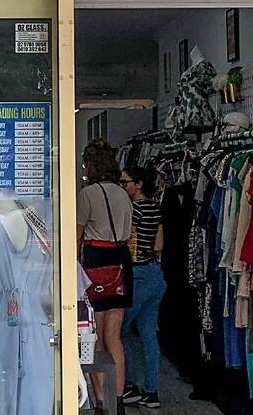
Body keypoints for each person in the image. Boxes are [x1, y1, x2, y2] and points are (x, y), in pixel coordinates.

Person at [77, 140, 134, 411]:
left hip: (96, 263)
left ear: (91, 166)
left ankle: (101, 400)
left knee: (94, 337)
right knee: (114, 336)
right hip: (121, 262)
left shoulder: (88, 194)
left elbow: (76, 234)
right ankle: (118, 399)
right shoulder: (123, 194)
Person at [118, 166, 165, 409]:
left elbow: (127, 241)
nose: (122, 186)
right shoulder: (156, 208)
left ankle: (130, 385)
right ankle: (151, 391)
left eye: (125, 182)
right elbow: (159, 245)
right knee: (149, 336)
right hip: (154, 273)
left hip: (136, 274)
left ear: (138, 184)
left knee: (120, 332)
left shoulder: (133, 209)